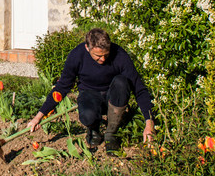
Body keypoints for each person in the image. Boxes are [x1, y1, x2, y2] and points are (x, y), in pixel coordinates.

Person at [27, 28, 155, 152]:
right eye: (98, 56)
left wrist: (149, 123)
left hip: (113, 97)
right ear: (87, 48)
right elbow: (61, 88)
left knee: (122, 82)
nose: (103, 59)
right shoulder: (77, 55)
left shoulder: (119, 55)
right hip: (90, 95)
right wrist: (38, 117)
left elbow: (139, 88)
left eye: (106, 54)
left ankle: (111, 133)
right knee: (88, 116)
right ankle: (93, 129)